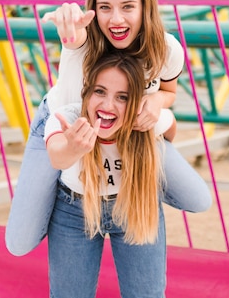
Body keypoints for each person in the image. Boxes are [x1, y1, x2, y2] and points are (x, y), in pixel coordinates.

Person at [5, 0, 211, 256]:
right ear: (93, 8)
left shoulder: (166, 50)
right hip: (65, 126)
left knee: (198, 198)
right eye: (104, 7)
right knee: (20, 242)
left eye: (127, 6)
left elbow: (168, 91)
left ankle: (137, 187)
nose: (116, 19)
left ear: (145, 6)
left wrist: (155, 102)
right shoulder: (84, 45)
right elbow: (74, 40)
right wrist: (70, 31)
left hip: (132, 130)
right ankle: (62, 212)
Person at [46, 52, 169, 297]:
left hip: (133, 203)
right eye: (99, 92)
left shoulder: (149, 120)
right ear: (86, 92)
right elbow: (56, 157)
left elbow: (169, 124)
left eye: (122, 97)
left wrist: (159, 102)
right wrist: (73, 147)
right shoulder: (68, 116)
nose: (107, 105)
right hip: (75, 210)